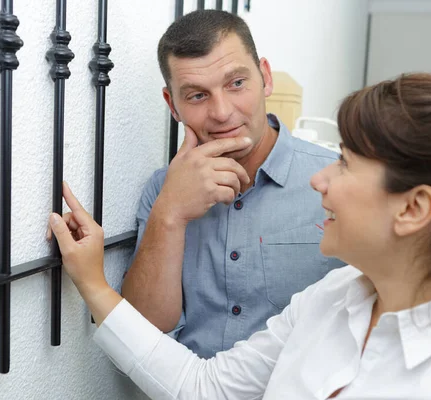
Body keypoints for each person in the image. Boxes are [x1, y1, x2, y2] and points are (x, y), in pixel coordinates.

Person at [50, 73, 431, 398]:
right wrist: (93, 283)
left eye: (346, 164)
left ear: (413, 208)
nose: (320, 179)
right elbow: (203, 389)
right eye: (196, 93)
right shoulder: (332, 298)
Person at [120, 9, 345, 358]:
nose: (222, 112)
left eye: (236, 84)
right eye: (197, 96)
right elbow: (142, 335)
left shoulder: (336, 181)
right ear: (172, 105)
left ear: (265, 77)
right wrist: (170, 214)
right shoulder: (162, 190)